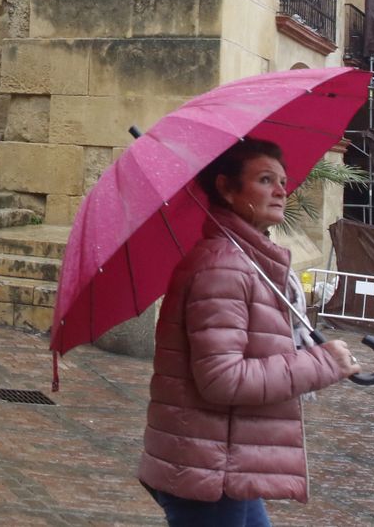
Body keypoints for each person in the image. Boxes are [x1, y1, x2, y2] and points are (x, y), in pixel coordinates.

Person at [140, 139, 361, 526]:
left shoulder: (249, 262)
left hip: (229, 460)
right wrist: (319, 364)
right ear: (226, 188)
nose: (280, 190)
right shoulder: (221, 268)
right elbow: (222, 379)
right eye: (264, 179)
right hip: (208, 469)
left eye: (282, 181)